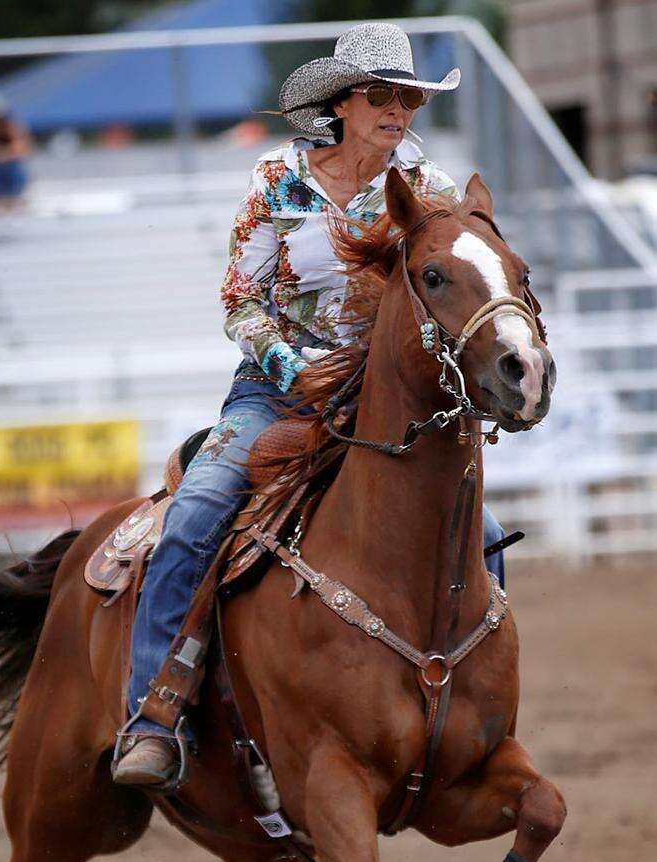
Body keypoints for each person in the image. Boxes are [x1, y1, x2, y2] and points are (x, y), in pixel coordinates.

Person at [114, 22, 505, 790]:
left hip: (380, 396)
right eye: (382, 96)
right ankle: (151, 714)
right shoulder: (275, 182)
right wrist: (289, 364)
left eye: (410, 98)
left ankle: (472, 699)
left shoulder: (426, 191)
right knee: (196, 511)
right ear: (340, 105)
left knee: (482, 534)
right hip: (275, 389)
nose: (399, 110)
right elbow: (239, 299)